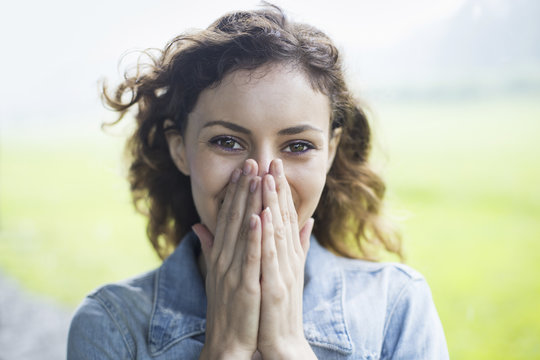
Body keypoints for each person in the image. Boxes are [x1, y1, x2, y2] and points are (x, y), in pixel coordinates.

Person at [68, 4, 449, 359]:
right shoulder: (110, 325)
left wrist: (287, 346)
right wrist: (227, 349)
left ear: (330, 152)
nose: (263, 175)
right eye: (227, 142)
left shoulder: (397, 306)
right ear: (180, 148)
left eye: (297, 146)